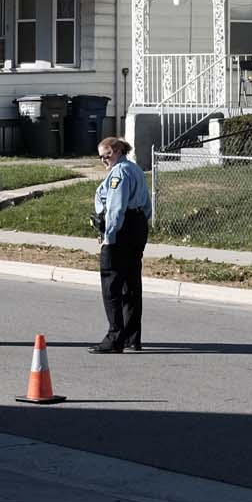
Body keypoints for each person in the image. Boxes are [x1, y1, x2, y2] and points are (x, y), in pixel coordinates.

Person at [90, 136, 152, 354]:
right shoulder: (134, 169)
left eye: (105, 156)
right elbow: (147, 204)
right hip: (137, 225)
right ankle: (132, 337)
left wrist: (109, 236)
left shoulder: (119, 173)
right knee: (132, 284)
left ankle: (115, 336)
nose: (103, 161)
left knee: (112, 283)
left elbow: (116, 208)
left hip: (122, 228)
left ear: (115, 150)